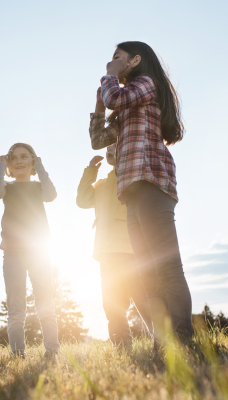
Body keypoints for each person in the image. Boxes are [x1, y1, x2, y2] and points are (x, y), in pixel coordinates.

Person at [89, 41, 194, 344]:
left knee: (167, 267)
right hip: (132, 190)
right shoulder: (126, 103)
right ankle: (165, 344)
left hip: (151, 181)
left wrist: (108, 76)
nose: (111, 62)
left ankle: (184, 340)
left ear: (135, 60)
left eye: (117, 58)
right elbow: (98, 140)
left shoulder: (147, 84)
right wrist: (98, 103)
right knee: (148, 272)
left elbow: (114, 99)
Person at [76, 144, 152, 349]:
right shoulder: (101, 184)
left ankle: (162, 340)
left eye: (116, 146)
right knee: (112, 302)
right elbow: (82, 200)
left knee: (142, 298)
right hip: (105, 252)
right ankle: (122, 343)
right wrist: (91, 171)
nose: (110, 150)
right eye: (108, 148)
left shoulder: (131, 177)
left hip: (131, 249)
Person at [0, 143, 60, 358]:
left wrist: (40, 167)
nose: (19, 161)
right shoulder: (8, 188)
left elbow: (51, 195)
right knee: (16, 306)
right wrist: (1, 165)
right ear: (10, 163)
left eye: (24, 157)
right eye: (14, 158)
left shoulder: (39, 187)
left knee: (45, 301)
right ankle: (18, 353)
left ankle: (52, 350)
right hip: (13, 253)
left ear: (32, 161)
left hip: (39, 252)